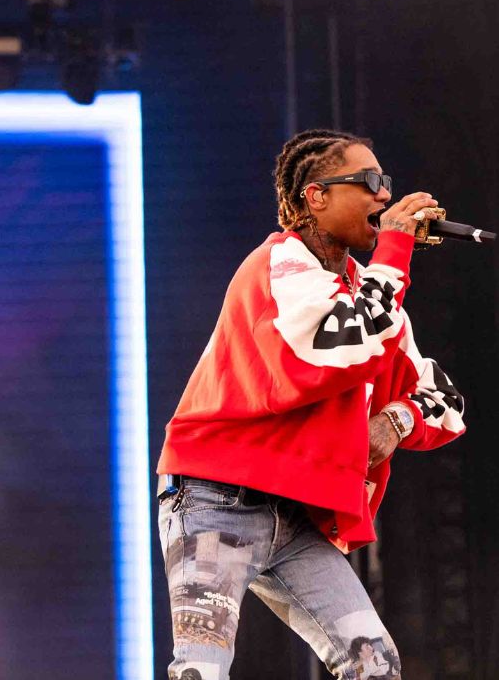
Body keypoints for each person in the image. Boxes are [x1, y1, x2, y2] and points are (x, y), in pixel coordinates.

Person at [156, 130, 466, 680]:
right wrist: (395, 247)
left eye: (386, 185)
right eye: (370, 183)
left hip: (296, 515)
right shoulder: (280, 265)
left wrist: (397, 419)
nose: (383, 198)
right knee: (202, 668)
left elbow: (443, 396)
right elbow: (341, 342)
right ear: (315, 196)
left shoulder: (367, 294)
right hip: (216, 498)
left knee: (375, 663)